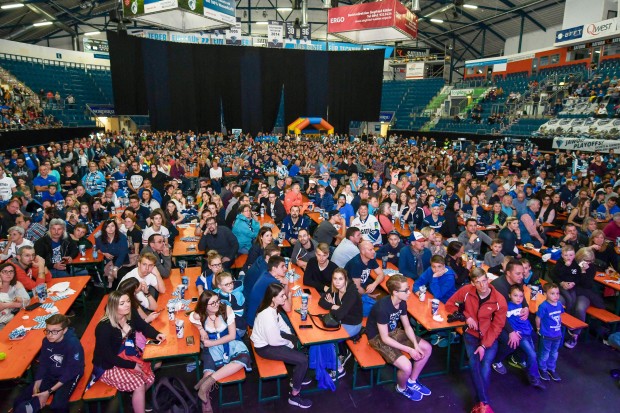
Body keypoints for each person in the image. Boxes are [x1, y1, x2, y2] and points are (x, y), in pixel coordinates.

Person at [446, 268, 507, 413]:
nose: (482, 285)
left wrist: (484, 346)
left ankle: (480, 403)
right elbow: (449, 305)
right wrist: (466, 316)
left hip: (489, 336)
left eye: (484, 281)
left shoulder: (499, 300)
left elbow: (497, 326)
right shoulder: (466, 290)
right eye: (478, 282)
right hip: (471, 334)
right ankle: (484, 403)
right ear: (473, 283)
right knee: (474, 363)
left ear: (488, 279)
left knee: (486, 363)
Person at [93, 291, 165, 413]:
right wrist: (132, 365)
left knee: (150, 378)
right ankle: (137, 399)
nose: (127, 305)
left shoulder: (129, 313)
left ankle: (135, 397)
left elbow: (143, 326)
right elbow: (108, 356)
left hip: (125, 356)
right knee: (139, 384)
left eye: (128, 301)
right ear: (113, 306)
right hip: (107, 366)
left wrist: (157, 334)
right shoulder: (103, 327)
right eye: (122, 303)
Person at [366, 274, 433, 402]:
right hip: (377, 337)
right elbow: (384, 338)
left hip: (393, 332)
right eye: (406, 290)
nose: (409, 292)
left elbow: (407, 326)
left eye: (409, 288)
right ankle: (401, 387)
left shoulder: (402, 302)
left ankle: (412, 381)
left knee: (427, 348)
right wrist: (410, 349)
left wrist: (415, 344)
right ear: (395, 292)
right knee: (406, 366)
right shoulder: (382, 308)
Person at [251, 283, 312, 409]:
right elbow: (274, 341)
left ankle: (296, 378)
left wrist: (291, 337)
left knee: (300, 343)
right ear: (273, 298)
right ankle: (294, 395)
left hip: (272, 339)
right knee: (303, 361)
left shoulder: (271, 307)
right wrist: (289, 342)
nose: (285, 298)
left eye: (284, 295)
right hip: (265, 347)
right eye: (282, 296)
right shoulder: (267, 315)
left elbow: (281, 324)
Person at [190, 290, 252, 412]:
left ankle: (207, 383)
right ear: (204, 306)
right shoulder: (200, 314)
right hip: (212, 349)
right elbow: (192, 318)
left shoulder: (226, 310)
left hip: (230, 343)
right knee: (206, 373)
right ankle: (206, 403)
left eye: (217, 301)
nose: (217, 304)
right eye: (212, 303)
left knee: (244, 358)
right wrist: (201, 329)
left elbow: (232, 336)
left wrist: (212, 342)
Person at [12, 314, 84, 413]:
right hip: (52, 373)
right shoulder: (46, 341)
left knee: (58, 406)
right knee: (19, 401)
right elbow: (43, 365)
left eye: (54, 331)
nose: (49, 335)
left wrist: (48, 392)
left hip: (70, 376)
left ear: (65, 330)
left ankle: (36, 404)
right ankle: (34, 405)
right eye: (48, 330)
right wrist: (36, 386)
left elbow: (71, 372)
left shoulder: (73, 344)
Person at [551, 246, 605, 349]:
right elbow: (555, 274)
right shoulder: (571, 262)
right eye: (584, 260)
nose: (587, 263)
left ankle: (575, 335)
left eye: (590, 261)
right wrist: (562, 283)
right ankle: (556, 329)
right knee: (559, 301)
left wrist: (584, 271)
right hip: (569, 290)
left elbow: (587, 285)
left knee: (579, 308)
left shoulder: (591, 268)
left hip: (583, 292)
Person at [246, 255, 292, 327]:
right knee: (291, 325)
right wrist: (289, 297)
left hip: (252, 315)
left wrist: (285, 283)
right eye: (282, 266)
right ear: (274, 268)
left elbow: (283, 295)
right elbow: (288, 308)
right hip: (257, 322)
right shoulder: (273, 283)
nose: (285, 269)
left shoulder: (266, 273)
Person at [318, 267, 363, 337]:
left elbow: (339, 315)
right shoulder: (335, 286)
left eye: (340, 279)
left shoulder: (351, 293)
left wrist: (332, 307)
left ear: (346, 280)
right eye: (335, 278)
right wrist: (334, 306)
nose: (337, 282)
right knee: (320, 331)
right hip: (339, 320)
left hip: (352, 324)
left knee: (326, 338)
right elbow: (321, 301)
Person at [345, 241, 385, 316]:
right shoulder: (356, 264)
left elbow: (381, 274)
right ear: (363, 251)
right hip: (350, 291)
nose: (373, 251)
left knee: (381, 303)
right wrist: (367, 295)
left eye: (373, 249)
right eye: (370, 250)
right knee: (374, 309)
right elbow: (357, 287)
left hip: (363, 287)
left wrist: (374, 284)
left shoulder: (371, 258)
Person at [536, 283, 564, 382]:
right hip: (547, 335)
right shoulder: (544, 306)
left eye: (557, 293)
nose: (556, 296)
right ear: (545, 294)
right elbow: (538, 318)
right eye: (552, 293)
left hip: (557, 335)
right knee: (545, 353)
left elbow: (560, 316)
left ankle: (551, 368)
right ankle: (542, 369)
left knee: (554, 353)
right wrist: (538, 328)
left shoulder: (559, 304)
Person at [96, 219, 130, 288]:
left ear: (115, 227)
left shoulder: (122, 237)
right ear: (104, 228)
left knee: (121, 276)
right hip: (108, 262)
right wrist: (104, 253)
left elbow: (123, 253)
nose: (110, 228)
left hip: (122, 261)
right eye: (108, 226)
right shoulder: (99, 239)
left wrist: (116, 267)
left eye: (112, 226)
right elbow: (97, 249)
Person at [0, 262, 29, 330]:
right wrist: (14, 304)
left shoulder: (16, 284)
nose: (8, 274)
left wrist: (20, 300)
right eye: (5, 271)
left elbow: (27, 301)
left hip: (11, 318)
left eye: (11, 271)